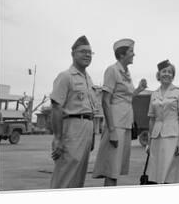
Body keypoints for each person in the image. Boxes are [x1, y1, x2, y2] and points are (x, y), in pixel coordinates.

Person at [92, 39, 147, 186]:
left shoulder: (126, 73)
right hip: (116, 125)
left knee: (115, 170)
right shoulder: (112, 70)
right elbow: (105, 100)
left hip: (125, 123)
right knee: (111, 170)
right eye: (131, 52)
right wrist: (112, 130)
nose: (134, 54)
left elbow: (127, 97)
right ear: (122, 54)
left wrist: (139, 90)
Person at [49, 35, 98, 189]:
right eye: (83, 51)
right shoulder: (65, 77)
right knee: (65, 174)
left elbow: (90, 110)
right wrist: (57, 138)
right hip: (72, 129)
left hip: (87, 130)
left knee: (78, 177)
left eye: (90, 52)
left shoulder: (88, 79)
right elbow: (56, 108)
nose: (87, 55)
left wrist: (92, 136)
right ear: (73, 54)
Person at [146, 60, 179, 184]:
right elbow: (152, 118)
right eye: (164, 71)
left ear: (173, 75)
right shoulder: (154, 94)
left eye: (170, 72)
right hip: (156, 137)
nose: (167, 74)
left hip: (172, 136)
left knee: (170, 174)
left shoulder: (178, 92)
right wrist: (149, 142)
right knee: (156, 173)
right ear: (158, 75)